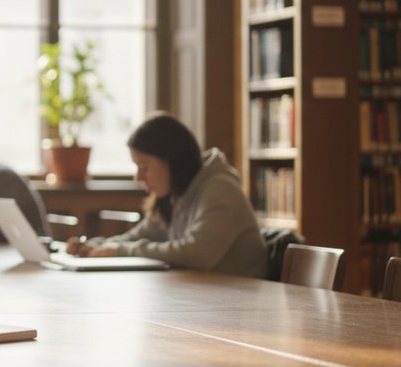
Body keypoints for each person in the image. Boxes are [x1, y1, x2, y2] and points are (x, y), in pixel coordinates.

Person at [67, 112, 267, 277]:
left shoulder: (221, 189)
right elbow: (138, 236)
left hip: (238, 306)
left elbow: (196, 253)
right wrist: (97, 246)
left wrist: (119, 251)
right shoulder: (174, 194)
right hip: (203, 298)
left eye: (144, 167)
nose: (138, 177)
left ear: (172, 160)